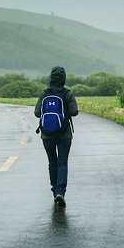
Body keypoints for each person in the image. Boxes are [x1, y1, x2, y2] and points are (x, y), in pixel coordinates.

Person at [34, 66, 78, 207]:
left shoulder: (45, 93)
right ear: (64, 78)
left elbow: (37, 113)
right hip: (64, 134)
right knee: (62, 163)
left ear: (51, 77)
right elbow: (74, 112)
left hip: (46, 135)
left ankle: (54, 191)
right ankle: (60, 192)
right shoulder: (67, 93)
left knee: (52, 162)